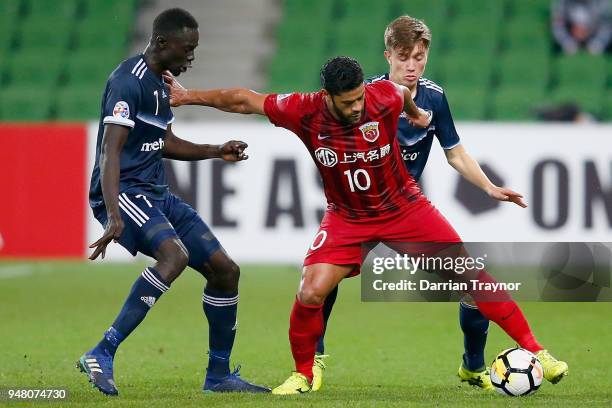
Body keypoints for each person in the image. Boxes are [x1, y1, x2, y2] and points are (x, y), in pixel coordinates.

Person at [163, 55, 569, 395]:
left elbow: (404, 94)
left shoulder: (384, 96)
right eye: (347, 103)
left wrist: (416, 114)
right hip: (347, 217)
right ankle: (304, 375)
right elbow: (242, 100)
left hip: (404, 208)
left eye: (359, 99)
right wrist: (186, 96)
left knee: (471, 276)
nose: (356, 108)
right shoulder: (302, 109)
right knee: (310, 290)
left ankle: (541, 352)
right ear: (328, 97)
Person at [313, 15, 523, 392]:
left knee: (472, 282)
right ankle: (314, 358)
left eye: (420, 57)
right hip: (360, 210)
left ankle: (473, 367)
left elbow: (454, 152)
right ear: (388, 55)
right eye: (404, 57)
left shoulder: (435, 97)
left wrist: (489, 188)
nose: (412, 66)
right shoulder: (366, 98)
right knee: (322, 281)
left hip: (404, 211)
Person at [76, 8, 269, 396]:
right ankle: (102, 351)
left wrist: (216, 149)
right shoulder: (126, 83)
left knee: (224, 270)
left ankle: (218, 376)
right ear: (162, 43)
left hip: (157, 195)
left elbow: (163, 141)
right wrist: (113, 213)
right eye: (187, 49)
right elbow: (109, 153)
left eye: (195, 50)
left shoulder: (162, 84)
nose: (191, 58)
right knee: (174, 256)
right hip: (125, 192)